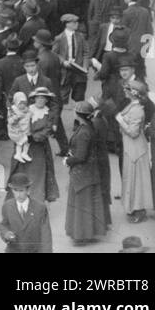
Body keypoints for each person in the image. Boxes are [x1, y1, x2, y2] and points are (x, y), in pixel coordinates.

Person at [65, 100, 109, 245]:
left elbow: (81, 156)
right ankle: (88, 233)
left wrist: (68, 161)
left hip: (82, 173)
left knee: (81, 204)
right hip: (90, 172)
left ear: (78, 114)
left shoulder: (84, 131)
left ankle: (81, 235)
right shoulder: (88, 126)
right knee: (88, 203)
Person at [115, 80, 152, 223]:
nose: (125, 91)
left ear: (133, 93)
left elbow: (134, 132)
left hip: (136, 148)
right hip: (131, 147)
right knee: (133, 178)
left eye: (127, 89)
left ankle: (139, 210)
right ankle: (134, 207)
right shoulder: (133, 105)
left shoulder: (137, 110)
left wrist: (121, 121)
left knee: (137, 180)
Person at [0, 171, 52, 253]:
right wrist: (6, 234)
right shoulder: (7, 206)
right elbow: (4, 224)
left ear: (28, 190)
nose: (18, 195)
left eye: (21, 191)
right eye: (15, 190)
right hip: (14, 250)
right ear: (12, 190)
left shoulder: (40, 207)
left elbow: (46, 235)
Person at [8, 90, 32, 163]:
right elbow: (10, 121)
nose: (22, 106)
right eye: (20, 104)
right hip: (16, 131)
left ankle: (24, 153)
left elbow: (30, 115)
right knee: (22, 141)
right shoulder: (13, 110)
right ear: (16, 103)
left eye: (24, 103)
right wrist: (15, 118)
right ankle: (18, 154)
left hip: (25, 130)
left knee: (27, 142)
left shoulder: (27, 110)